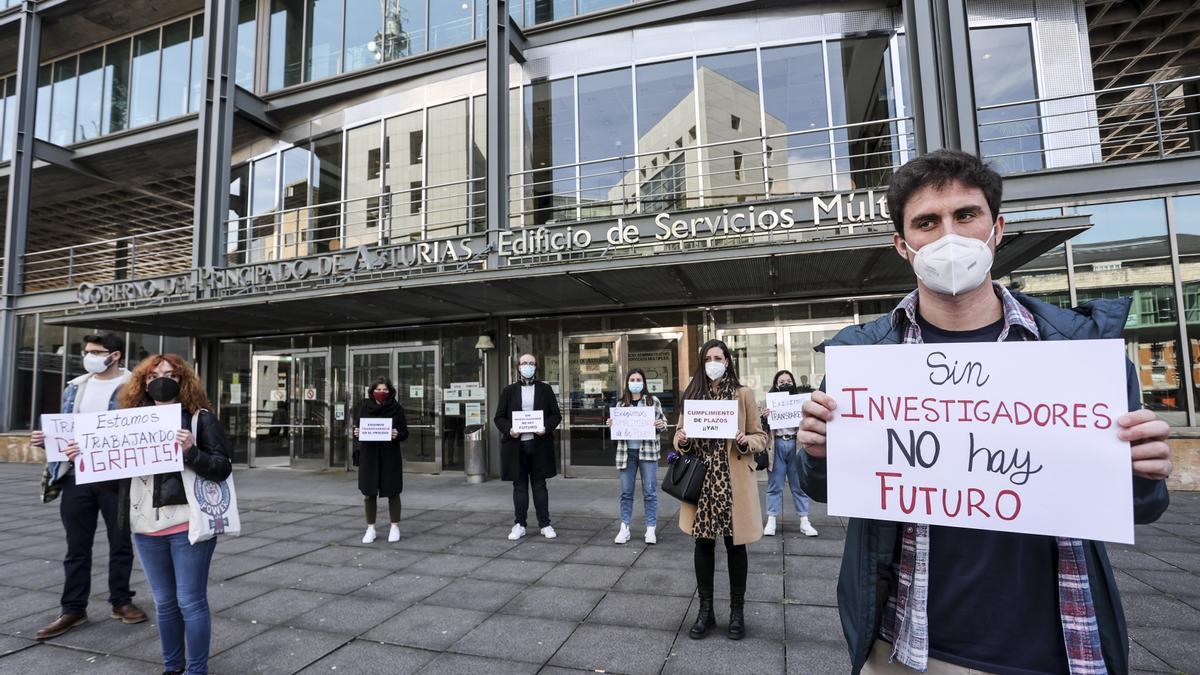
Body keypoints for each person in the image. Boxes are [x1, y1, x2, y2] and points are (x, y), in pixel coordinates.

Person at [798, 149, 1173, 674]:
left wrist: (1145, 472)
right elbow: (822, 484)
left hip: (1059, 648)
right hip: (910, 647)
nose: (948, 237)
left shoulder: (1078, 353)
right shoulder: (864, 358)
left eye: (965, 215)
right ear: (903, 246)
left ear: (996, 229)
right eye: (927, 222)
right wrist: (815, 453)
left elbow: (1140, 507)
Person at [113, 353, 231, 675]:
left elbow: (222, 467)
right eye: (152, 376)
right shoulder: (127, 420)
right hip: (145, 526)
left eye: (169, 374)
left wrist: (192, 451)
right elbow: (113, 475)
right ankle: (172, 668)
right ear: (142, 383)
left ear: (182, 381)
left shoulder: (199, 418)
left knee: (190, 602)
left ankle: (196, 670)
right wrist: (82, 455)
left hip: (187, 523)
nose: (160, 381)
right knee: (164, 603)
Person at [31, 333, 146, 639]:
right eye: (87, 351)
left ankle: (121, 601)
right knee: (76, 546)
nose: (90, 356)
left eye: (96, 351)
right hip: (75, 476)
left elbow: (135, 434)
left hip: (115, 478)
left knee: (120, 542)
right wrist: (47, 441)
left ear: (116, 355)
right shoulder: (76, 387)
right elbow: (66, 432)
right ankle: (73, 609)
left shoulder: (134, 387)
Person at [674, 339, 768, 640]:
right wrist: (684, 440)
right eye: (709, 357)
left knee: (734, 545)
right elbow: (678, 435)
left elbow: (760, 437)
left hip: (732, 481)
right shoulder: (694, 394)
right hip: (702, 482)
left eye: (719, 357)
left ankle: (737, 613)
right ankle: (706, 612)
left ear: (728, 361)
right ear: (702, 362)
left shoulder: (743, 395)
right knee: (703, 545)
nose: (714, 362)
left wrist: (745, 441)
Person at [494, 353, 562, 540]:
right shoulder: (509, 391)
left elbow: (556, 415)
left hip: (539, 445)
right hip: (516, 446)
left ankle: (545, 524)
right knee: (520, 486)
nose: (528, 366)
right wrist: (510, 430)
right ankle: (520, 524)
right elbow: (499, 417)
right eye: (524, 363)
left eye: (531, 363)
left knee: (540, 486)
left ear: (536, 367)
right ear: (518, 367)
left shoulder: (545, 389)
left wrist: (545, 428)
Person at [606, 368, 668, 545]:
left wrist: (659, 424)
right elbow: (617, 431)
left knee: (650, 492)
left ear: (643, 382)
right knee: (626, 493)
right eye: (632, 379)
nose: (635, 382)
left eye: (638, 379)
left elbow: (664, 424)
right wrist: (612, 424)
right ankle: (624, 527)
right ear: (627, 383)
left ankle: (650, 529)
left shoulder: (652, 401)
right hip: (627, 454)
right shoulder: (620, 405)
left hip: (648, 453)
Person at [760, 370, 818, 538]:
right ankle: (771, 520)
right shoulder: (768, 402)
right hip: (777, 444)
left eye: (788, 380)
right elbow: (760, 428)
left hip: (796, 444)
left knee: (799, 485)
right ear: (775, 384)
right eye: (781, 381)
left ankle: (804, 520)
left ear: (793, 382)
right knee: (774, 485)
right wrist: (765, 418)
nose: (785, 383)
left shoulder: (801, 402)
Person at [352, 377, 409, 543]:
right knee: (369, 493)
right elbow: (356, 427)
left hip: (390, 456)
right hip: (369, 456)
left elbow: (405, 432)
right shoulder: (363, 407)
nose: (382, 392)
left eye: (385, 390)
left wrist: (398, 434)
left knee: (393, 491)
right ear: (372, 391)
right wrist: (356, 432)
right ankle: (370, 528)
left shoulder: (397, 409)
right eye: (378, 389)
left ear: (390, 391)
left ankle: (394, 526)